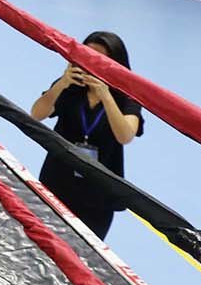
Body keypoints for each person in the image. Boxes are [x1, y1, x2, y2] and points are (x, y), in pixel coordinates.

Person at [31, 31, 144, 239]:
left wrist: (106, 96)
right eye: (87, 56)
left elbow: (125, 136)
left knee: (83, 257)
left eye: (99, 59)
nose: (91, 64)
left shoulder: (127, 97)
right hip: (57, 181)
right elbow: (36, 114)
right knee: (42, 244)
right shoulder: (69, 85)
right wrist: (61, 85)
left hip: (98, 195)